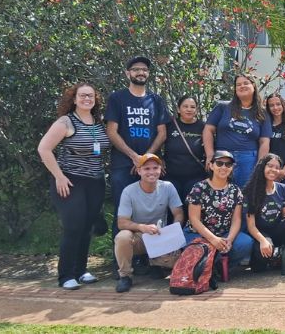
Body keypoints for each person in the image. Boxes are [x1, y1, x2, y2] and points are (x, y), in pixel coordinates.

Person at [38, 83, 111, 290]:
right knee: (73, 227)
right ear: (74, 98)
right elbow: (44, 149)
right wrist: (59, 176)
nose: (87, 99)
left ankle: (81, 270)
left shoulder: (98, 122)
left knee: (87, 227)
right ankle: (66, 275)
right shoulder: (66, 121)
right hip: (70, 180)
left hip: (95, 181)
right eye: (82, 96)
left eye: (90, 96)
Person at [106, 56, 170, 272]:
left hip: (150, 166)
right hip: (123, 165)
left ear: (148, 74)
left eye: (144, 69)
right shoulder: (117, 98)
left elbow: (162, 133)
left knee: (154, 212)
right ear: (127, 73)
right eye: (136, 69)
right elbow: (111, 131)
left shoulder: (156, 100)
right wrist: (134, 157)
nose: (140, 73)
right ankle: (122, 262)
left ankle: (151, 260)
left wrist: (145, 159)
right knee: (123, 212)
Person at [114, 154, 184, 292]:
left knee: (178, 265)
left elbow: (179, 214)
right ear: (139, 171)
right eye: (146, 168)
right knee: (122, 237)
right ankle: (125, 276)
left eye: (155, 168)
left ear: (161, 169)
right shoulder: (129, 191)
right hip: (138, 236)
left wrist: (172, 233)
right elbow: (122, 223)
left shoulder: (168, 187)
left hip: (160, 236)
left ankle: (155, 264)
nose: (151, 172)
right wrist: (141, 227)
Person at [184, 151, 253, 266]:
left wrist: (229, 240)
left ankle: (220, 266)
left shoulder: (236, 191)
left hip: (224, 234)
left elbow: (236, 220)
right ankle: (210, 265)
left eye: (228, 164)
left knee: (245, 243)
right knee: (199, 250)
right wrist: (213, 239)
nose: (224, 167)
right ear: (211, 165)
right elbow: (194, 219)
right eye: (219, 163)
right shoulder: (199, 188)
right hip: (197, 234)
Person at [203, 74, 271, 188]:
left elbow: (264, 142)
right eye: (238, 84)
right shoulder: (222, 107)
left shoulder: (262, 113)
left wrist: (260, 165)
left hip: (248, 160)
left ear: (253, 86)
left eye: (245, 83)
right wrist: (210, 155)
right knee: (219, 192)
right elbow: (208, 130)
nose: (242, 86)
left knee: (244, 195)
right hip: (222, 158)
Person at [244, 154, 285, 273]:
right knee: (259, 267)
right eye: (270, 166)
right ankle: (273, 257)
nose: (274, 170)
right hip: (261, 233)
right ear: (262, 167)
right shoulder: (250, 192)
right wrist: (263, 241)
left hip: (277, 229)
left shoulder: (282, 188)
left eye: (277, 167)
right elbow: (251, 226)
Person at [164, 95, 206, 206]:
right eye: (185, 106)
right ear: (178, 109)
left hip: (195, 177)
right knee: (173, 209)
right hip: (171, 176)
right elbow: (159, 143)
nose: (189, 109)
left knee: (191, 209)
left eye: (192, 107)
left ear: (196, 110)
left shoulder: (203, 127)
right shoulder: (169, 126)